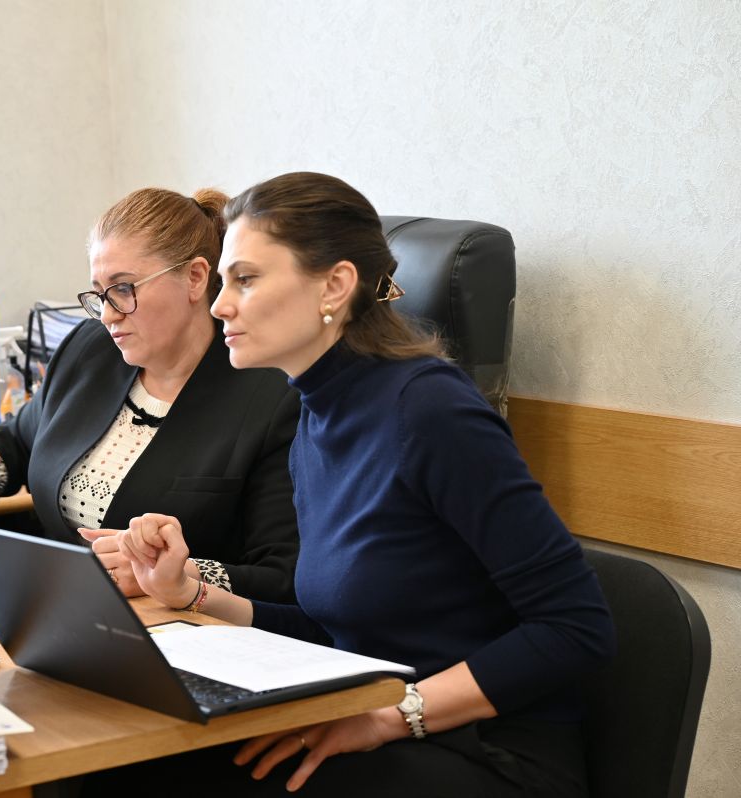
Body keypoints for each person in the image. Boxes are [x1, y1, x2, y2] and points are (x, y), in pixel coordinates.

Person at [106, 172, 615, 796]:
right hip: (376, 709)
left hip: (488, 750)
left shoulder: (430, 412)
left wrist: (390, 716)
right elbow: (336, 628)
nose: (220, 305)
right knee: (147, 765)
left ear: (335, 285)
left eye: (246, 279)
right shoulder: (317, 413)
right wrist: (189, 593)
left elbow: (576, 627)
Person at [0, 187, 301, 603]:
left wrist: (174, 577)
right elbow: (20, 438)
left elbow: (283, 576)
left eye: (123, 289)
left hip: (177, 624)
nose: (107, 314)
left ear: (195, 278)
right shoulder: (91, 349)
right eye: (100, 294)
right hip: (60, 604)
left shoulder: (272, 397)